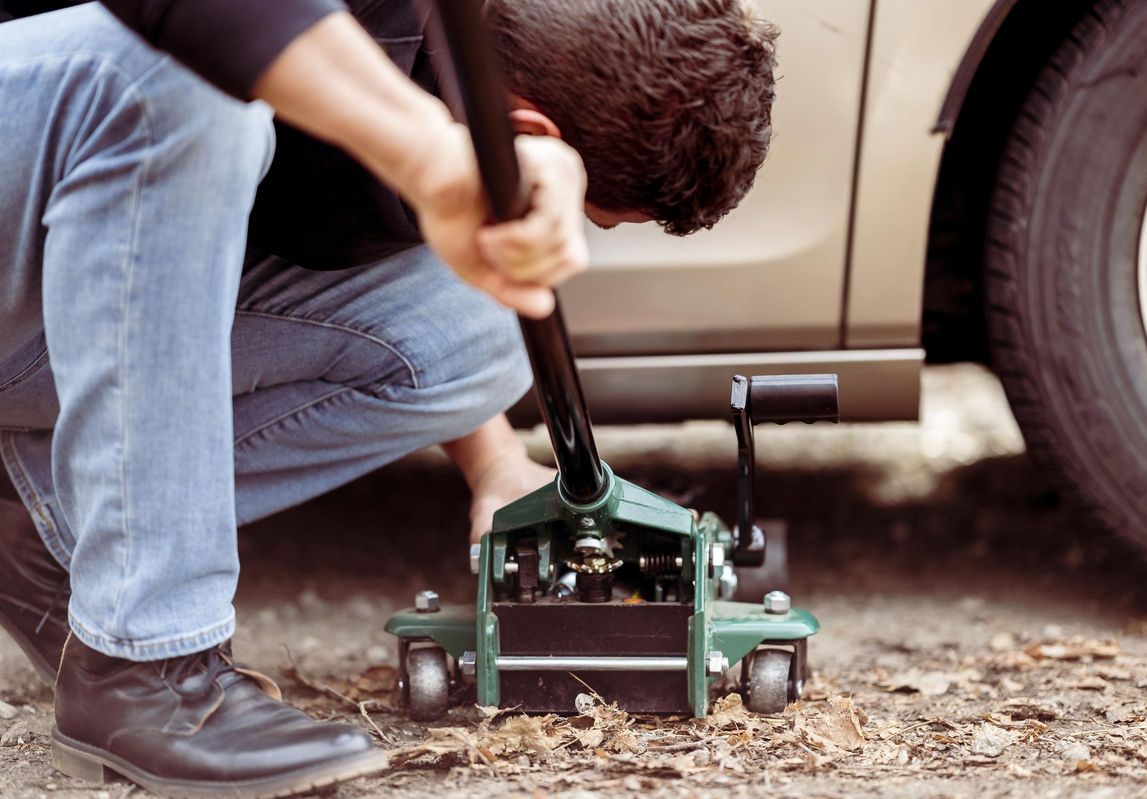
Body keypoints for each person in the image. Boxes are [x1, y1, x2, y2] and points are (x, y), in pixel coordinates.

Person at [0, 0, 780, 796]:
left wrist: (497, 468)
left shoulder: (448, 62)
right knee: (171, 82)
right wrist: (432, 154)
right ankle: (147, 667)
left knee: (477, 330)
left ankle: (48, 519)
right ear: (530, 136)